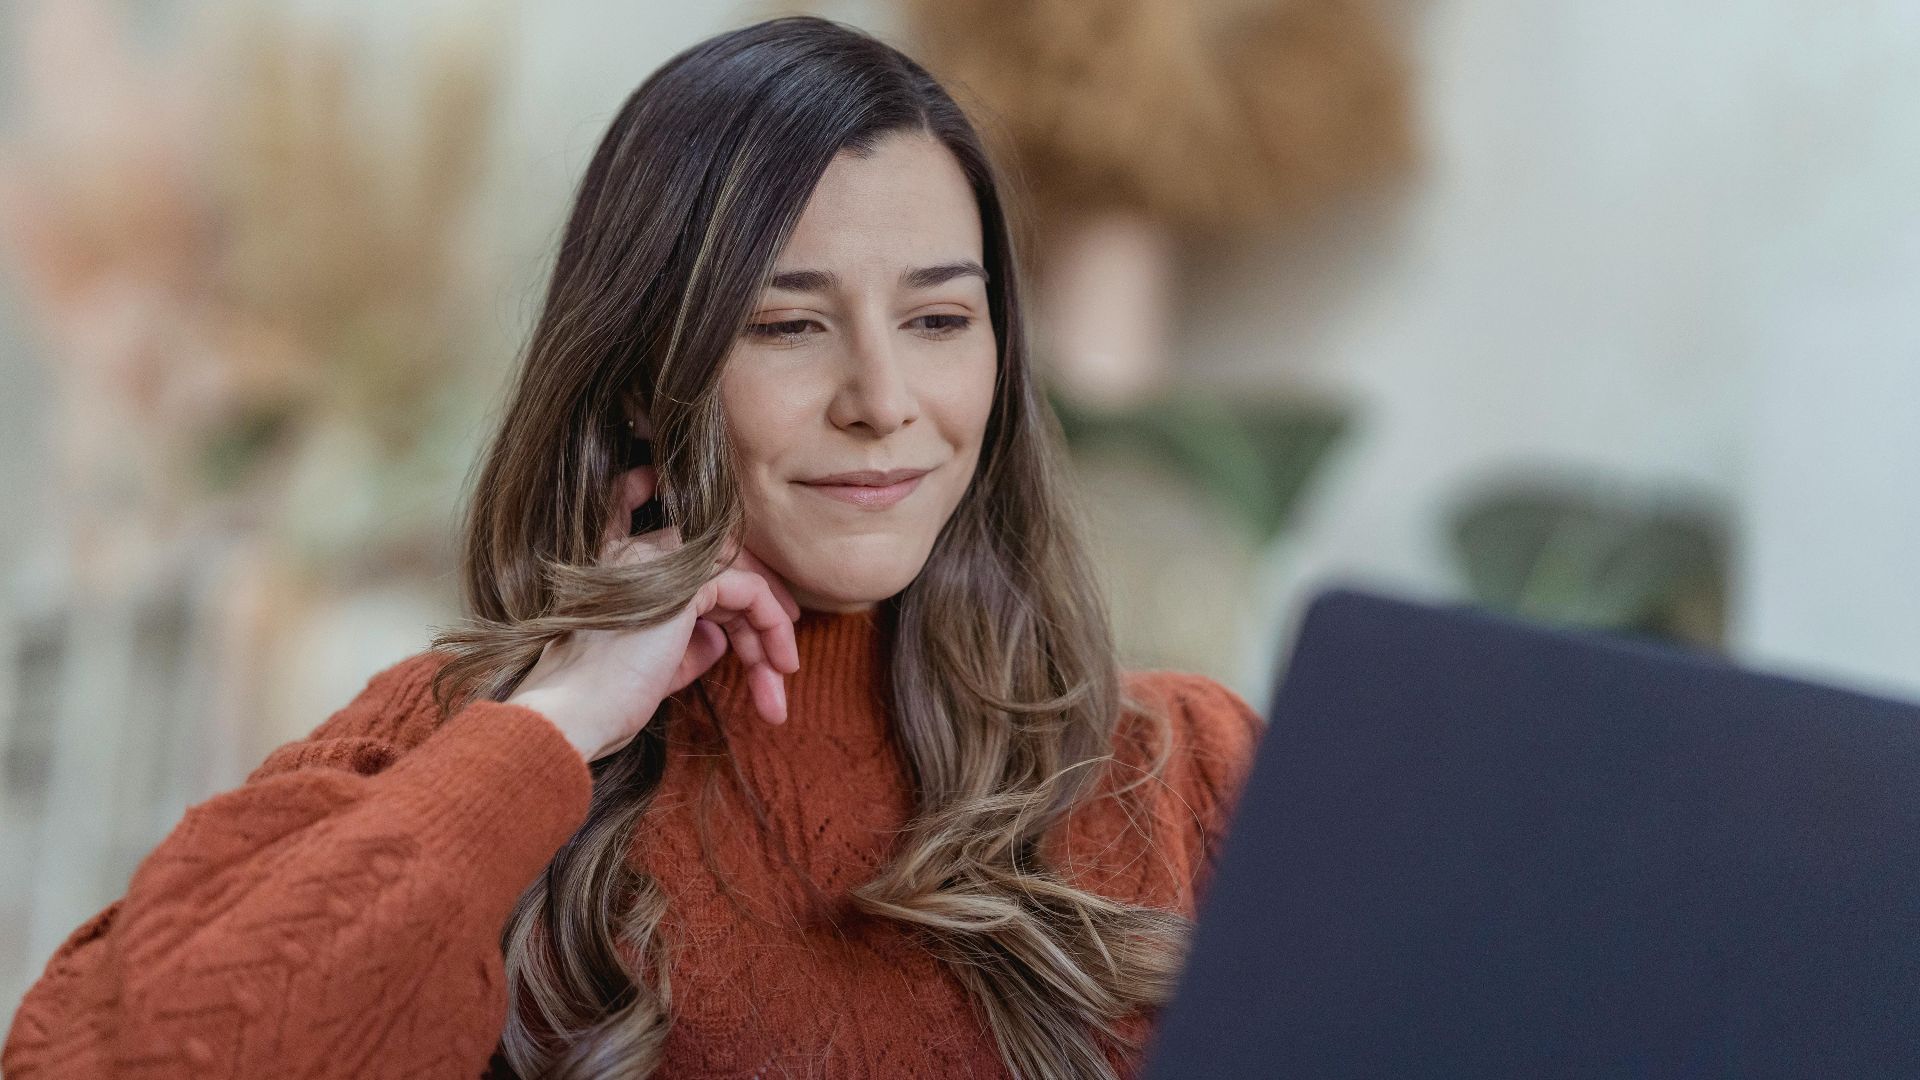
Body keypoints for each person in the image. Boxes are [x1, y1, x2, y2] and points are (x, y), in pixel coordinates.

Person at [2, 16, 1262, 1080]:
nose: (884, 398)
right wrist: (562, 717)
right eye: (787, 326)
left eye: (939, 318)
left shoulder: (1190, 771)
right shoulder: (460, 747)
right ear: (641, 381)